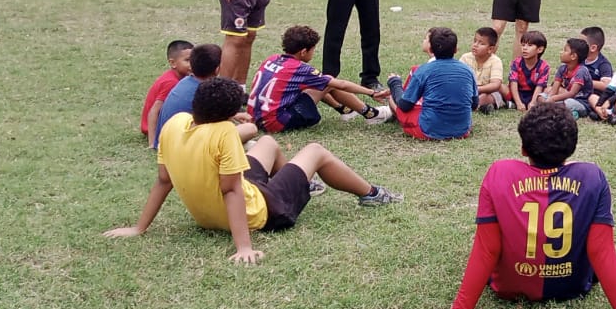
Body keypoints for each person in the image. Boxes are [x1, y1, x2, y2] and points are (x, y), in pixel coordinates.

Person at [417, 104, 616, 309]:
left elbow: (487, 249)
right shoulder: (592, 176)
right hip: (572, 287)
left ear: (524, 149)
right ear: (572, 148)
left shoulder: (499, 173)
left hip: (508, 288)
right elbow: (601, 249)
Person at [104, 78, 403, 264]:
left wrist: (139, 227)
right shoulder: (223, 133)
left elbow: (163, 180)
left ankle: (304, 185)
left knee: (269, 143)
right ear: (229, 115)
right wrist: (244, 247)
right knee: (315, 151)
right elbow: (231, 190)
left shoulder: (176, 123)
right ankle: (373, 194)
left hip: (206, 217)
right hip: (263, 212)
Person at [246, 26, 389, 133]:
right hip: (275, 123)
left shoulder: (272, 59)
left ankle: (346, 111)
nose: (314, 52)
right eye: (313, 49)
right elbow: (342, 84)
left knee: (318, 82)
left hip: (255, 117)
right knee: (328, 82)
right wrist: (372, 93)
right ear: (303, 51)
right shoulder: (299, 69)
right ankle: (371, 114)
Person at [155, 43, 257, 151]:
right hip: (184, 146)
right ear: (217, 69)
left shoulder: (185, 81)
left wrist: (235, 115)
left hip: (165, 141)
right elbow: (217, 125)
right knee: (250, 129)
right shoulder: (207, 92)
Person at [383, 27, 477, 141]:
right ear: (456, 49)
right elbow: (474, 105)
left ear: (431, 49)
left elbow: (405, 105)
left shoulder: (423, 70)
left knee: (393, 100)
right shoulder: (468, 70)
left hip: (428, 130)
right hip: (462, 130)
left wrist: (395, 84)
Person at [142, 40, 193, 148]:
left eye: (194, 60)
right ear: (173, 63)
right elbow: (154, 110)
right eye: (187, 60)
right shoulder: (171, 82)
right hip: (156, 129)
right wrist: (153, 142)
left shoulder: (180, 78)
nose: (192, 64)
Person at [544, 37, 594, 119]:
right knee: (541, 97)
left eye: (565, 51)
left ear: (573, 56)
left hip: (580, 102)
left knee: (568, 103)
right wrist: (548, 98)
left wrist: (553, 99)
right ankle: (560, 111)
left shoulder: (581, 71)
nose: (561, 52)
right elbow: (554, 90)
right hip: (564, 99)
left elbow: (572, 93)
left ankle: (569, 113)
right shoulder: (562, 68)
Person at [465, 27, 507, 113]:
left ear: (490, 49)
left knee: (486, 97)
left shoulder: (495, 61)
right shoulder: (466, 58)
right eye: (475, 41)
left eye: (481, 43)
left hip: (488, 92)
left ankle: (480, 105)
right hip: (468, 91)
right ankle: (482, 107)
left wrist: (477, 89)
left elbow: (496, 84)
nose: (475, 45)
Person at [507, 30, 550, 112]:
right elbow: (513, 82)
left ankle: (510, 104)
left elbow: (540, 86)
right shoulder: (516, 62)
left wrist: (532, 103)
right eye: (523, 45)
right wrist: (518, 103)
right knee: (501, 87)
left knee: (547, 91)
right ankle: (512, 103)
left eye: (530, 45)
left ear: (540, 49)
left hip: (534, 94)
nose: (525, 48)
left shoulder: (544, 66)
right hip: (517, 93)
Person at [580, 26, 613, 95]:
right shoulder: (579, 58)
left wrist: (583, 81)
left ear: (593, 48)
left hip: (592, 95)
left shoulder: (603, 64)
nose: (578, 45)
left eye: (581, 43)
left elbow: (606, 85)